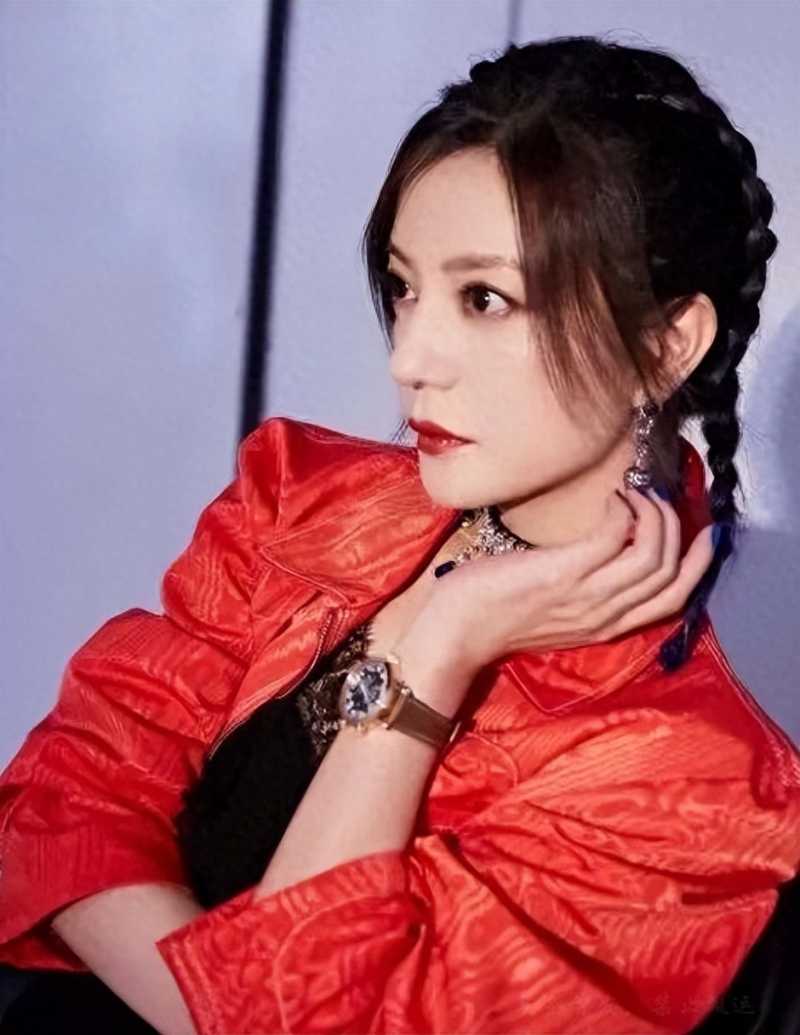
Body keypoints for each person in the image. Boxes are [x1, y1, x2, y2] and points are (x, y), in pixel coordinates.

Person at [1, 32, 798, 1035]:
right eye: (404, 286)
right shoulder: (308, 497)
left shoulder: (685, 780)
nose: (409, 357)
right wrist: (214, 1017)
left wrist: (439, 651)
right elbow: (61, 802)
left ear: (663, 344)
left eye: (484, 298)